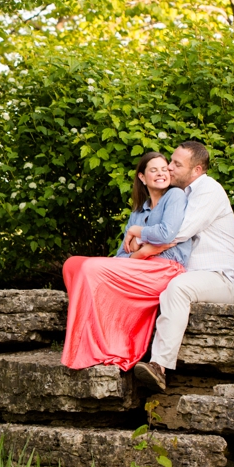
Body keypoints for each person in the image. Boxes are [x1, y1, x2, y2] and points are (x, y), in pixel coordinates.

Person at [60, 152, 191, 372]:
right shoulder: (138, 212)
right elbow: (122, 256)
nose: (161, 173)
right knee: (72, 264)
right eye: (153, 170)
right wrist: (139, 255)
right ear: (142, 177)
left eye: (164, 169)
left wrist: (135, 231)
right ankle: (92, 336)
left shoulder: (175, 196)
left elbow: (167, 234)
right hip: (140, 266)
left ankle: (102, 346)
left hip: (165, 269)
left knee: (92, 268)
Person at [134, 140, 234, 393]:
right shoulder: (178, 196)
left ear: (197, 170)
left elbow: (177, 233)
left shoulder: (208, 190)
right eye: (170, 161)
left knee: (177, 289)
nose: (168, 168)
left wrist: (138, 235)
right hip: (191, 276)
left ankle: (159, 367)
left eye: (176, 164)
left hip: (219, 279)